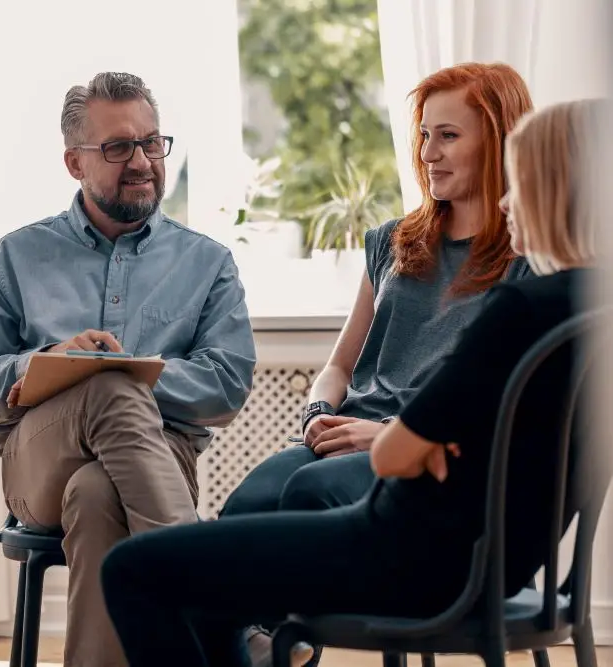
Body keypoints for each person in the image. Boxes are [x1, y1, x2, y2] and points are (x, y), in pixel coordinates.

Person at [99, 96, 607, 667]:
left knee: (132, 568)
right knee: (220, 575)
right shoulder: (590, 311)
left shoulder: (521, 309)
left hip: (404, 552)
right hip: (491, 562)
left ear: (560, 193)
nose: (508, 201)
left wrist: (411, 442)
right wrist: (434, 442)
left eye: (522, 183)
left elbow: (391, 456)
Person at [224, 61, 536, 665]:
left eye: (448, 135)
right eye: (423, 134)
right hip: (346, 432)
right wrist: (317, 410)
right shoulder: (393, 242)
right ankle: (259, 649)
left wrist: (390, 437)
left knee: (308, 492)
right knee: (243, 507)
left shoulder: (525, 260)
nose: (427, 153)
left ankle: (281, 643)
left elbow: (504, 409)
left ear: (496, 139)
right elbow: (340, 366)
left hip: (422, 454)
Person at [0, 71, 256, 667]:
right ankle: (223, 623)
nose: (141, 161)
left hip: (164, 461)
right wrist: (54, 364)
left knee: (96, 491)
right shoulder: (14, 258)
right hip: (38, 463)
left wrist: (131, 373)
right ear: (74, 162)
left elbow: (226, 386)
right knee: (108, 389)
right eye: (118, 148)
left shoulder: (207, 263)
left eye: (152, 143)